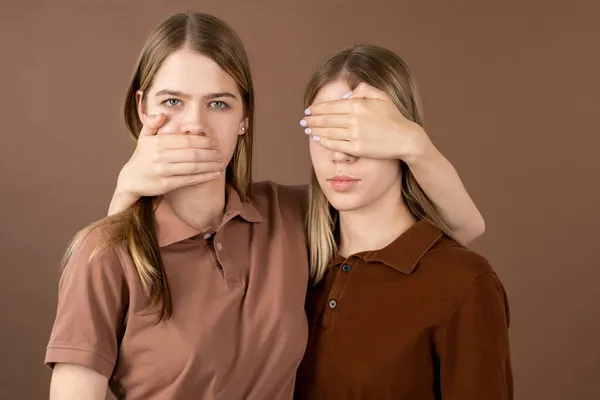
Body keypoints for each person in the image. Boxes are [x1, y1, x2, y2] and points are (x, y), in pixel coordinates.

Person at [45, 11, 485, 400]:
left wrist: (413, 143)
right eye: (172, 102)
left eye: (218, 103)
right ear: (142, 108)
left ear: (244, 118)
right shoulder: (101, 253)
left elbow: (452, 232)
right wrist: (125, 202)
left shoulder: (289, 215)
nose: (194, 124)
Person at [293, 44, 513, 399]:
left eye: (361, 133)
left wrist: (416, 144)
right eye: (326, 132)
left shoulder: (465, 283)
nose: (341, 154)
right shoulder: (285, 255)